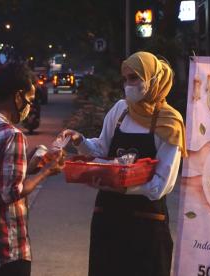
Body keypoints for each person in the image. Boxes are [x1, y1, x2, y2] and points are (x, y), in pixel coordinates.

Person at [61, 51, 187, 276]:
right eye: (126, 78)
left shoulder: (169, 122)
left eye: (134, 78)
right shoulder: (120, 110)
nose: (128, 85)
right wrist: (80, 141)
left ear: (153, 79)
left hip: (146, 225)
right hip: (108, 218)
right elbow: (101, 149)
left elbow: (162, 185)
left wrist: (123, 185)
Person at [0, 62, 64, 276]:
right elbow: (12, 192)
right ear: (18, 96)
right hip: (5, 246)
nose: (28, 107)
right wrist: (47, 171)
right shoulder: (12, 135)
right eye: (29, 100)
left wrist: (30, 166)